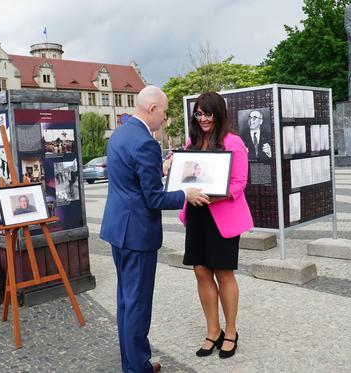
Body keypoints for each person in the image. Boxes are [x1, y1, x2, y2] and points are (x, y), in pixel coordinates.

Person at [99, 85, 208, 373]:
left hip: (117, 230)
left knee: (126, 301)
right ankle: (138, 368)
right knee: (137, 304)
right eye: (164, 111)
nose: (165, 117)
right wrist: (187, 195)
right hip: (137, 234)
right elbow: (154, 198)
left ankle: (132, 362)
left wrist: (158, 168)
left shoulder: (121, 133)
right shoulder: (145, 142)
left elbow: (129, 177)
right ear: (151, 109)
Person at [174, 92, 253, 359]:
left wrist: (215, 194)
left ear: (218, 114)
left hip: (222, 215)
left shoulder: (234, 142)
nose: (203, 119)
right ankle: (213, 330)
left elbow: (240, 183)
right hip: (197, 214)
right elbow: (184, 177)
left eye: (208, 113)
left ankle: (230, 332)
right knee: (200, 272)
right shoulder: (191, 142)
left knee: (224, 273)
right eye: (198, 114)